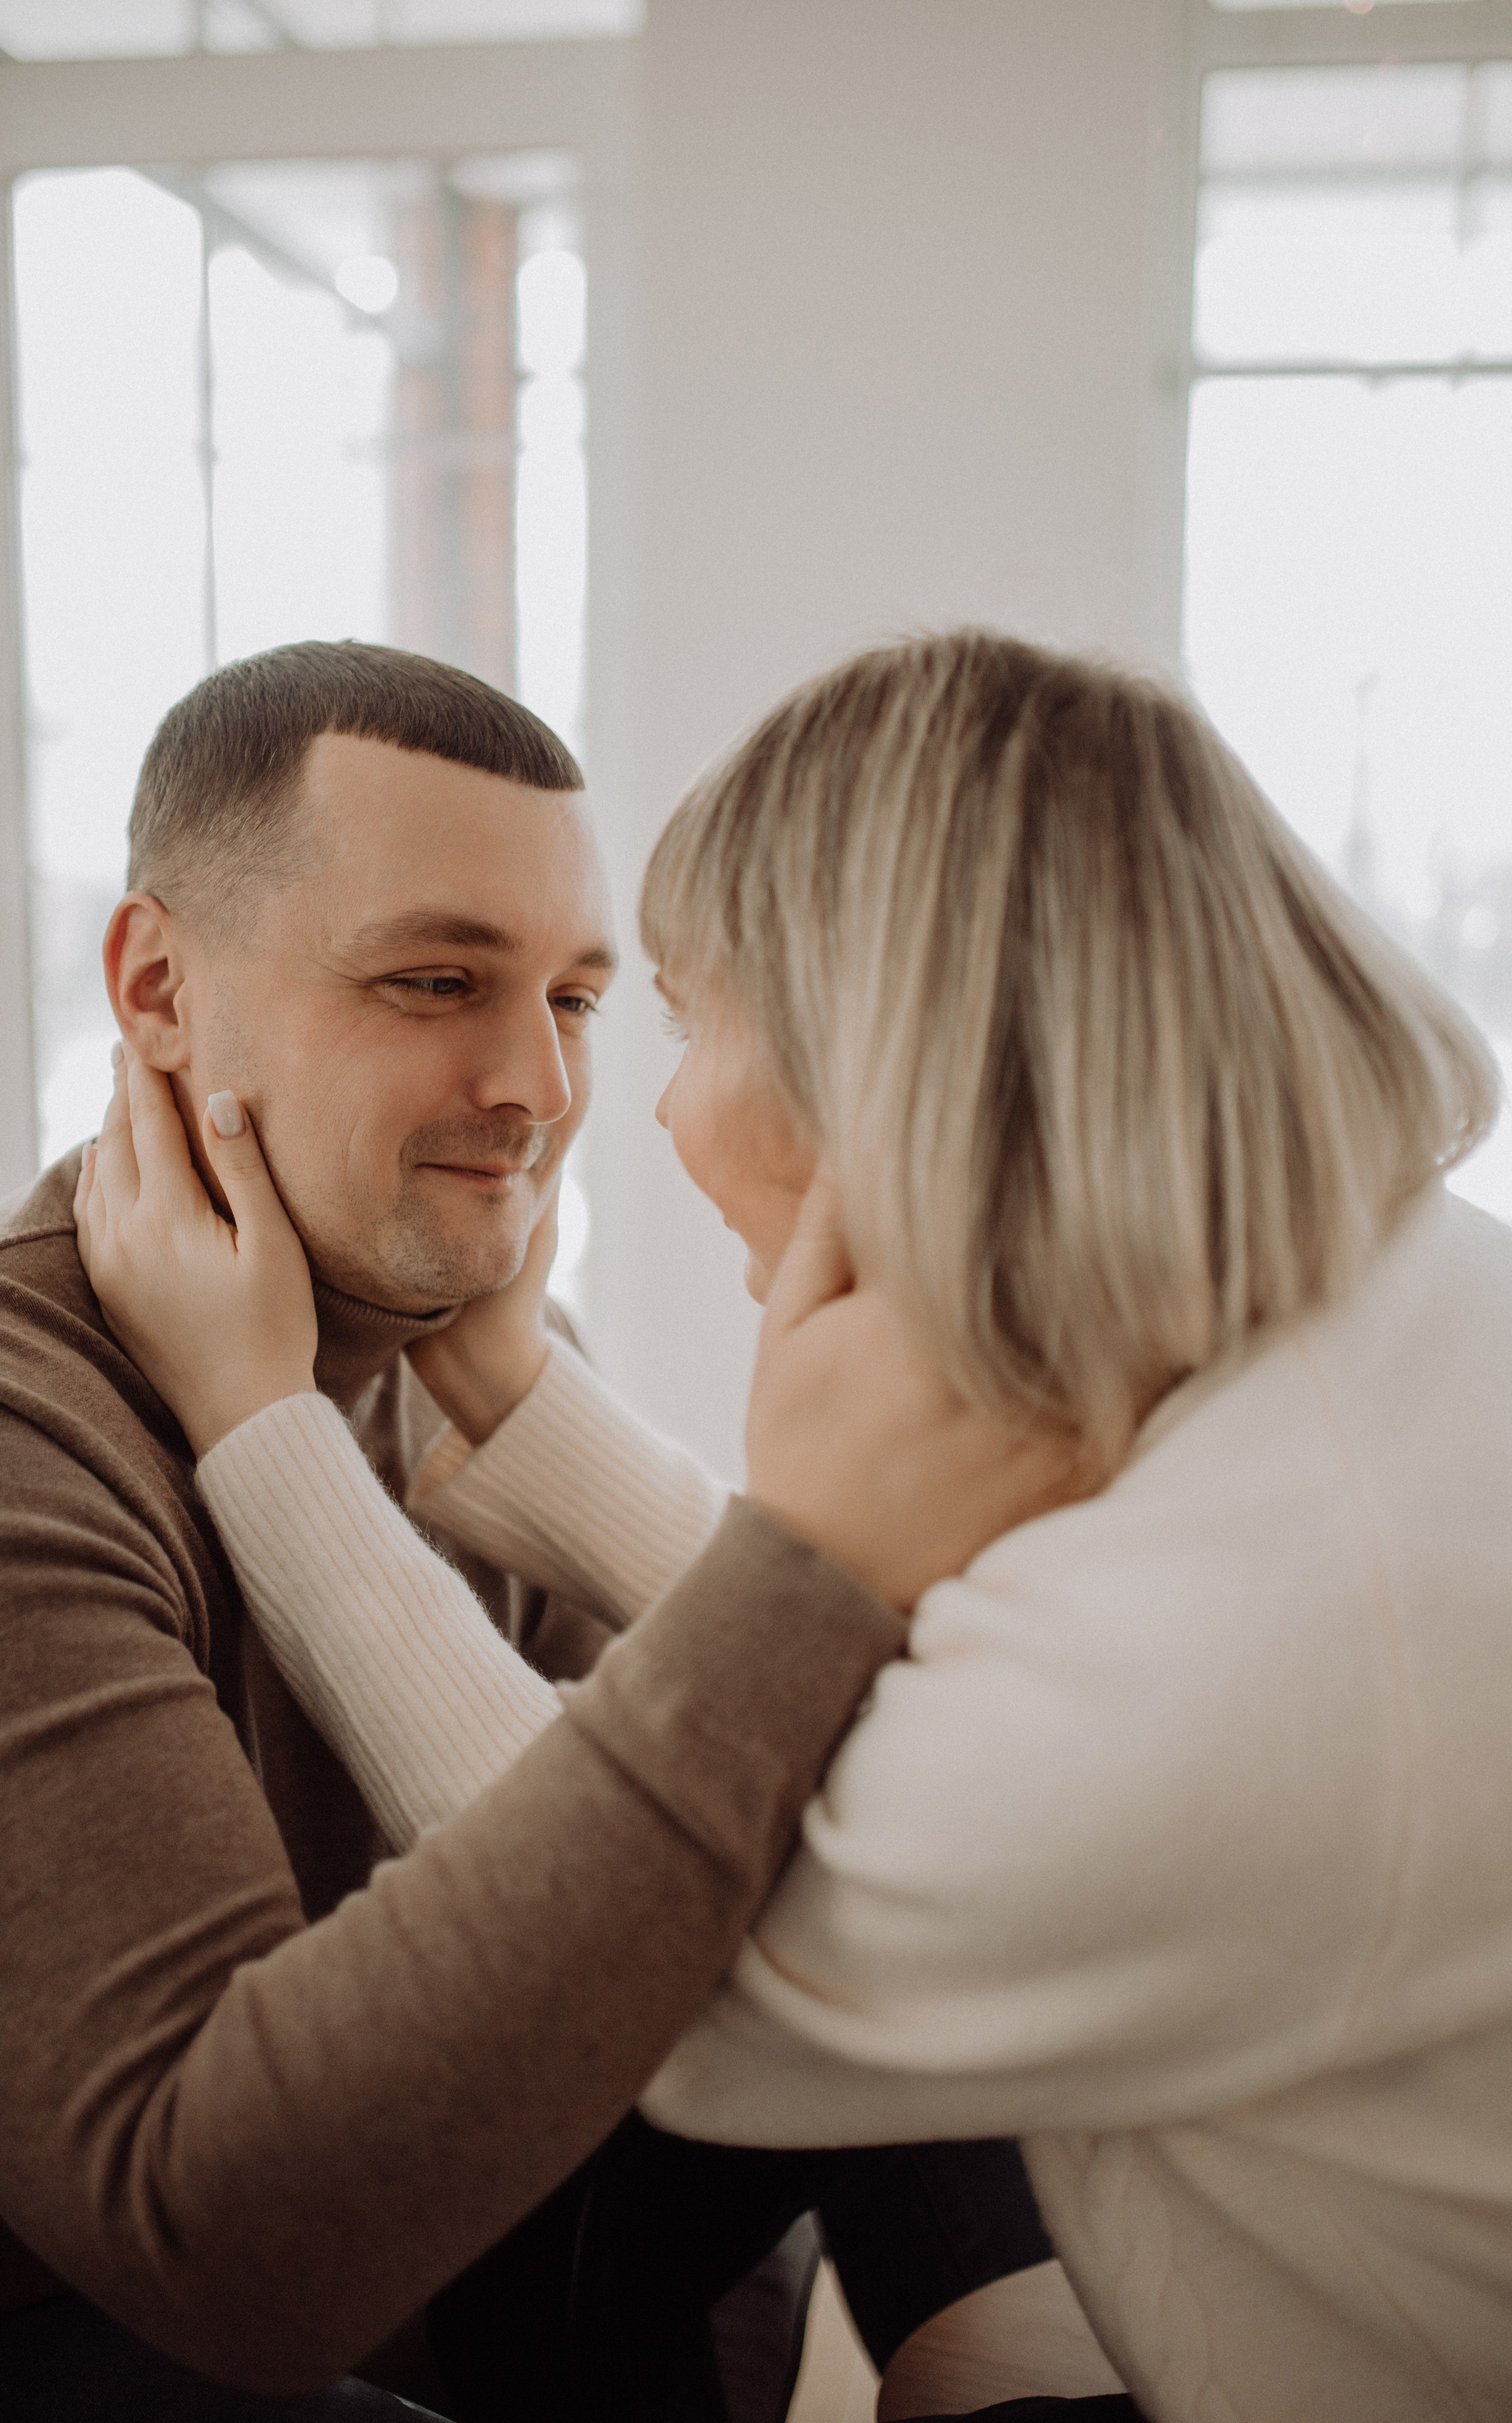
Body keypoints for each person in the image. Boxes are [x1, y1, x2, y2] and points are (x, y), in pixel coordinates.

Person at [80, 631, 1512, 2423]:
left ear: (885, 1047)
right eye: (442, 983)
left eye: (671, 1013)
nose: (615, 1105)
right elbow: (913, 1701)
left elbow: (641, 1956)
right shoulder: (1387, 1309)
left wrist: (264, 1434)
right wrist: (528, 1408)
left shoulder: (1252, 1622)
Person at [0, 638, 1098, 2423]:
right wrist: (818, 1555)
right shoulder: (26, 1434)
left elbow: (705, 1896)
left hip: (437, 2248)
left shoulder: (482, 1371)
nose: (539, 1087)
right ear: (158, 992)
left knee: (906, 1878)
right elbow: (220, 2238)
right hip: (111, 2325)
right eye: (437, 981)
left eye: (579, 1000)